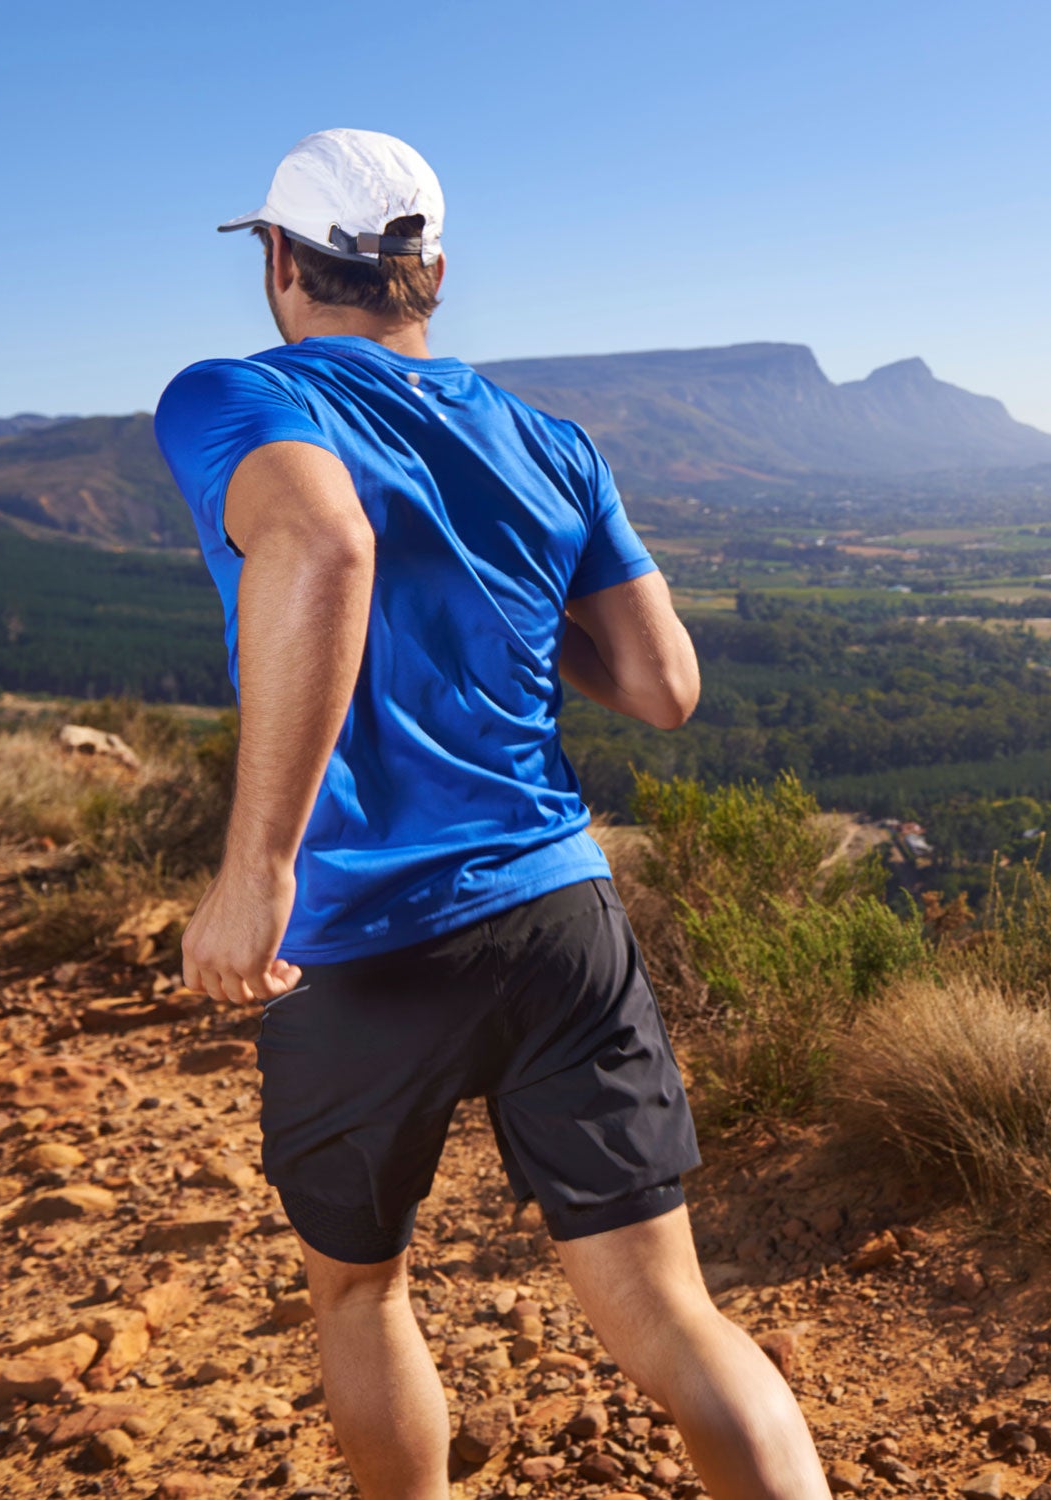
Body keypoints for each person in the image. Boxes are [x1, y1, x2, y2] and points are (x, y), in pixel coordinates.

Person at [154, 129, 832, 1500]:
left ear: (280, 261)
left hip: (359, 936)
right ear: (434, 274)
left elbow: (325, 540)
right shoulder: (548, 443)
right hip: (558, 912)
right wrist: (515, 612)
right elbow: (663, 684)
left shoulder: (231, 395)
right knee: (674, 1318)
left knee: (359, 1293)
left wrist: (257, 868)